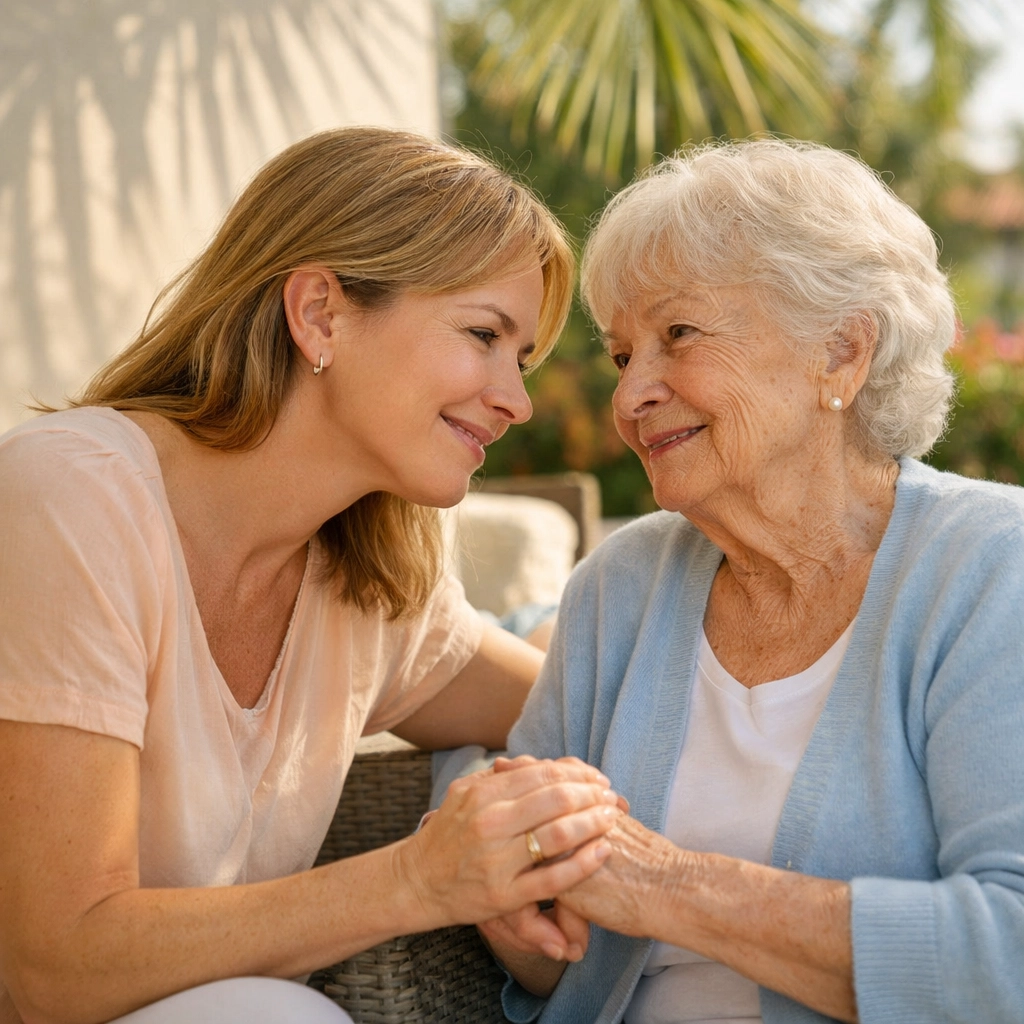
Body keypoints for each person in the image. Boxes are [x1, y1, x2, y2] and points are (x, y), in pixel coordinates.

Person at [0, 127, 623, 1024]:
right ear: (320, 313)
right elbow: (56, 969)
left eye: (518, 359)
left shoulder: (362, 585)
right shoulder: (71, 498)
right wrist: (418, 877)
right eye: (484, 334)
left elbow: (577, 700)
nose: (516, 401)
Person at [479, 139, 1024, 1024]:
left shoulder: (995, 570)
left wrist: (664, 885)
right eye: (622, 356)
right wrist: (506, 898)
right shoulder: (619, 586)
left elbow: (1008, 955)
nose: (631, 398)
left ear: (842, 352)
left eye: (678, 335)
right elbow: (552, 971)